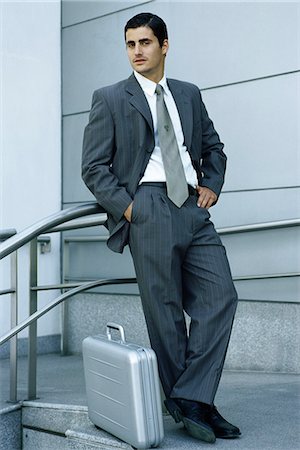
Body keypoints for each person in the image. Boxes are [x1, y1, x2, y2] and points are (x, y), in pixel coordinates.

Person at [82, 12, 240, 444]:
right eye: (130, 44)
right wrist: (129, 209)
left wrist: (211, 183)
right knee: (165, 312)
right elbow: (93, 167)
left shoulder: (187, 94)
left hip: (192, 205)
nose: (137, 51)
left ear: (164, 46)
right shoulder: (111, 98)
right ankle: (196, 404)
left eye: (145, 43)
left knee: (221, 296)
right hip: (148, 205)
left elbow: (213, 147)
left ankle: (189, 398)